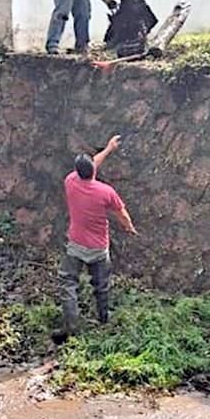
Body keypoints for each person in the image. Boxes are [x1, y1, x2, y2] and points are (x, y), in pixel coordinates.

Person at [56, 134, 137, 342]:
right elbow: (122, 214)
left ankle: (72, 325)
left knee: (68, 283)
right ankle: (103, 319)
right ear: (92, 171)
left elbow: (91, 166)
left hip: (75, 245)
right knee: (101, 285)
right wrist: (129, 228)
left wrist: (108, 148)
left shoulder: (70, 181)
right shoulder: (105, 192)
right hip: (99, 249)